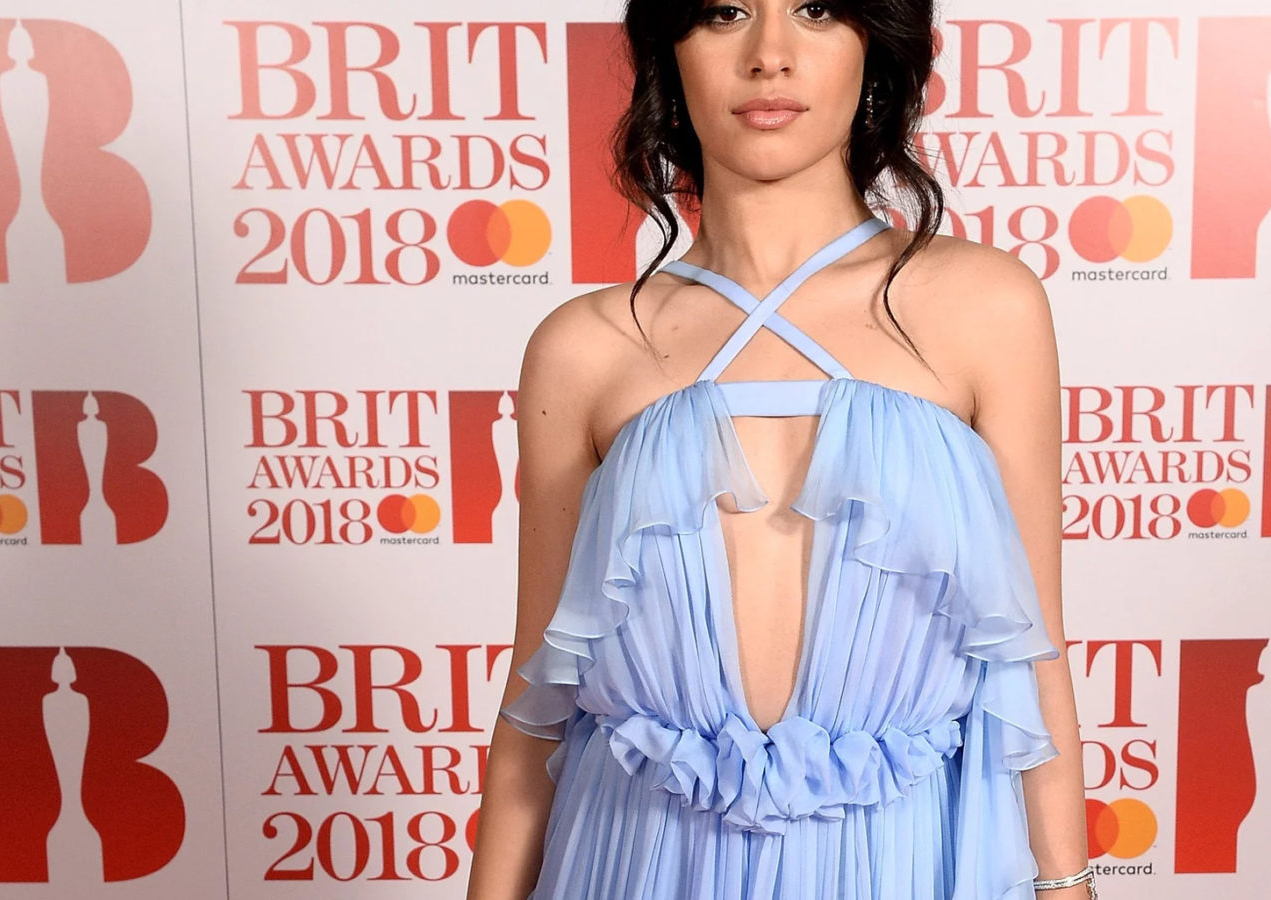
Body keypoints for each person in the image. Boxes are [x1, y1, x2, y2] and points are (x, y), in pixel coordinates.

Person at [466, 1, 1092, 897]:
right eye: (724, 13)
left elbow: (1034, 655)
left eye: (815, 10)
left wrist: (1068, 885)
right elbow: (538, 698)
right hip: (632, 861)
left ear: (873, 47)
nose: (769, 54)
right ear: (669, 55)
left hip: (903, 865)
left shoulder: (984, 306)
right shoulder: (584, 347)